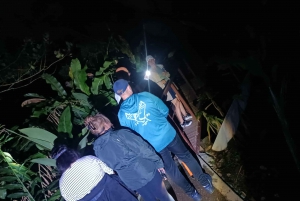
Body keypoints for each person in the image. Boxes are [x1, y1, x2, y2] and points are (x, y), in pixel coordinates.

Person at [113, 79, 215, 201]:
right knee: (186, 156)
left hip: (153, 146)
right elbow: (165, 111)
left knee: (171, 170)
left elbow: (131, 136)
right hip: (168, 134)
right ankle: (206, 184)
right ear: (128, 87)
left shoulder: (122, 115)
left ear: (119, 94)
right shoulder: (145, 96)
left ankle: (193, 194)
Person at [84, 114, 174, 201]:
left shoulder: (97, 148)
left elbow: (109, 166)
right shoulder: (120, 134)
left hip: (129, 179)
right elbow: (143, 149)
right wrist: (158, 162)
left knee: (149, 199)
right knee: (163, 196)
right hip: (146, 171)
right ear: (105, 123)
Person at [51, 144, 138, 201]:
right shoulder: (88, 159)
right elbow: (110, 172)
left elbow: (69, 199)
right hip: (112, 191)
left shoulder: (62, 183)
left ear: (59, 164)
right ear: (72, 153)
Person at [145, 55, 192, 128]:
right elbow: (152, 80)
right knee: (176, 103)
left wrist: (165, 74)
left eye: (152, 59)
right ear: (148, 63)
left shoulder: (160, 66)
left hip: (171, 85)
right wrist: (160, 79)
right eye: (149, 61)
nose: (151, 61)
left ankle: (185, 115)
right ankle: (182, 122)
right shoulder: (150, 72)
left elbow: (168, 74)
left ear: (154, 59)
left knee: (179, 100)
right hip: (165, 88)